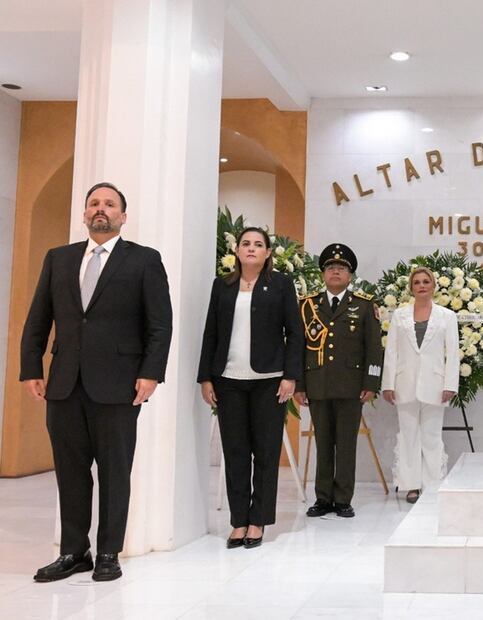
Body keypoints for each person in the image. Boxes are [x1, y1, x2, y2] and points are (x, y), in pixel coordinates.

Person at [20, 182, 172, 582]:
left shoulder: (144, 260)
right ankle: (74, 552)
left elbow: (160, 324)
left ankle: (108, 552)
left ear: (123, 215)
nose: (100, 209)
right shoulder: (59, 259)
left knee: (114, 471)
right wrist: (31, 368)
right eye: (93, 204)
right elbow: (38, 318)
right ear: (84, 214)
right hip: (65, 383)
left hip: (120, 385)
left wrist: (151, 373)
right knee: (69, 470)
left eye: (109, 204)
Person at [197, 227, 303, 548]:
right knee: (236, 452)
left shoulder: (281, 285)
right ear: (238, 251)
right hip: (228, 381)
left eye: (259, 244)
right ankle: (238, 521)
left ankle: (258, 521)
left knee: (267, 453)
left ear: (268, 252)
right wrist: (205, 377)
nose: (252, 249)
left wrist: (290, 376)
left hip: (269, 382)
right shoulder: (223, 286)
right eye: (246, 244)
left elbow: (295, 333)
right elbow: (211, 333)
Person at [295, 243, 382, 519]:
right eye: (331, 267)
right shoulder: (308, 305)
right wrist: (299, 384)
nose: (335, 271)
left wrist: (371, 383)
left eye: (341, 268)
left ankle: (343, 498)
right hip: (318, 385)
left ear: (350, 275)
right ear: (323, 273)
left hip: (351, 387)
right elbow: (298, 346)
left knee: (345, 444)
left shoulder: (364, 306)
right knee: (323, 443)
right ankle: (323, 499)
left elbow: (374, 348)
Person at [381, 267, 460, 503]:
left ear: (434, 286)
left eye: (426, 281)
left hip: (435, 385)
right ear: (411, 288)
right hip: (404, 383)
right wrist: (388, 384)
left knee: (432, 436)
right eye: (417, 282)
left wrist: (450, 385)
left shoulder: (447, 316)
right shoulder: (400, 315)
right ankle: (411, 485)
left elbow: (453, 353)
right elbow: (392, 351)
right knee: (408, 436)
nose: (422, 285)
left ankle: (433, 484)